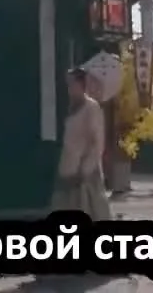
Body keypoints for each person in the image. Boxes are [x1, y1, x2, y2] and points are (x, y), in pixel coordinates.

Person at [50, 67, 111, 221]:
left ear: (81, 84)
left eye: (72, 83)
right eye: (68, 84)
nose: (69, 88)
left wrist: (84, 170)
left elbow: (97, 143)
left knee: (89, 210)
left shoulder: (91, 107)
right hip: (67, 166)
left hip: (85, 171)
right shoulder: (69, 107)